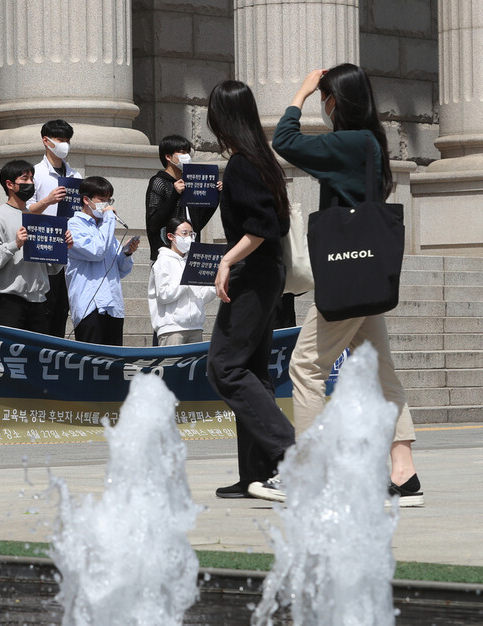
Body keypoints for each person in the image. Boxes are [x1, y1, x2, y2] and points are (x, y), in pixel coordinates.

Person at [273, 64, 423, 507]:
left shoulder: (349, 142)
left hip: (346, 277)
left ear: (336, 101)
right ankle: (404, 473)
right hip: (366, 275)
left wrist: (298, 93)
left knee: (305, 366)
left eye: (325, 97)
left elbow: (285, 142)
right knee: (380, 372)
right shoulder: (370, 142)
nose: (322, 104)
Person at [204, 80, 295, 502]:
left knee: (225, 367)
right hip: (267, 274)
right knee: (252, 371)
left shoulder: (243, 164)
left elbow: (261, 228)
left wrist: (226, 260)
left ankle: (293, 456)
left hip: (254, 275)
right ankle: (256, 474)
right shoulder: (262, 161)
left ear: (221, 118)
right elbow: (276, 224)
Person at [0, 159, 72, 333]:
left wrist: (62, 250)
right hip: (10, 300)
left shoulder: (37, 219)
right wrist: (14, 245)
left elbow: (51, 268)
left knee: (36, 356)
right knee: (11, 355)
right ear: (9, 184)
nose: (30, 183)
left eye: (32, 179)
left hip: (39, 301)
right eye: (24, 179)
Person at [65, 176, 137, 345]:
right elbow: (97, 251)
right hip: (89, 306)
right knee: (92, 362)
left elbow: (121, 269)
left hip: (112, 305)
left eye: (109, 200)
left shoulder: (104, 227)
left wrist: (126, 253)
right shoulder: (74, 225)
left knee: (112, 364)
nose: (106, 205)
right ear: (86, 200)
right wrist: (110, 219)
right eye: (102, 200)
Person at [27, 119, 82, 338]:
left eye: (67, 140)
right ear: (46, 141)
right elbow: (25, 208)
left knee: (63, 308)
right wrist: (47, 201)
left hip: (69, 250)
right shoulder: (35, 173)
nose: (64, 145)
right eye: (60, 140)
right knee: (45, 307)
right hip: (43, 248)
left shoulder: (75, 176)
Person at [148, 216, 217, 346]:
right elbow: (164, 295)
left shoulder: (193, 261)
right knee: (172, 364)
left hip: (195, 327)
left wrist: (213, 284)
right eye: (184, 234)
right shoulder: (163, 261)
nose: (189, 238)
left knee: (193, 366)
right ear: (170, 236)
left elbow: (201, 296)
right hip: (172, 328)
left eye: (191, 234)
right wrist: (186, 278)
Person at [145, 135, 194, 262]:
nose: (186, 156)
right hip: (165, 254)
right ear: (168, 157)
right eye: (182, 152)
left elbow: (197, 220)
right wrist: (175, 194)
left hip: (188, 253)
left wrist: (215, 195)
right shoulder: (159, 182)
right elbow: (153, 223)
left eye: (187, 152)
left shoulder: (189, 183)